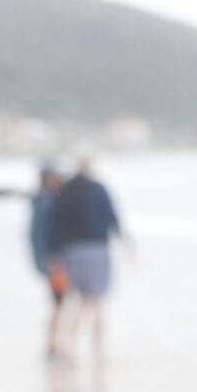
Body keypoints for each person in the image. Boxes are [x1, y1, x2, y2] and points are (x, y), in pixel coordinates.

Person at [48, 149, 126, 364]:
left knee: (74, 301)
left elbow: (54, 224)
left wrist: (54, 254)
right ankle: (98, 353)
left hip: (70, 251)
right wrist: (124, 242)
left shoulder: (64, 190)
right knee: (95, 302)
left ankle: (71, 348)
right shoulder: (98, 188)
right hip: (96, 249)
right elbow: (111, 217)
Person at [28, 159, 67, 359]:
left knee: (58, 304)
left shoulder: (41, 199)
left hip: (50, 261)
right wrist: (49, 260)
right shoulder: (46, 201)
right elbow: (41, 235)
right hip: (54, 262)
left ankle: (54, 345)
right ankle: (53, 346)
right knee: (59, 304)